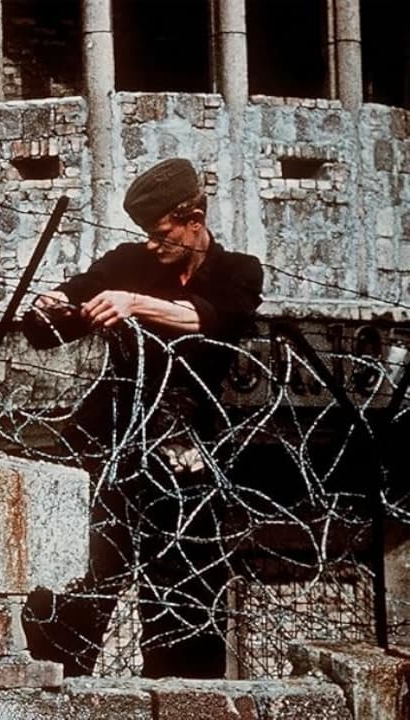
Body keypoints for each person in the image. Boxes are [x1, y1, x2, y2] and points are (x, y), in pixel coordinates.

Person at [20, 158, 264, 678]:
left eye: (161, 233)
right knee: (76, 589)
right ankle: (53, 693)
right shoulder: (129, 261)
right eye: (146, 235)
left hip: (186, 454)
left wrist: (134, 303)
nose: (152, 245)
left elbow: (209, 319)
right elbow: (58, 316)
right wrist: (53, 306)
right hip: (109, 447)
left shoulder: (238, 271)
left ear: (194, 217)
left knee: (182, 605)